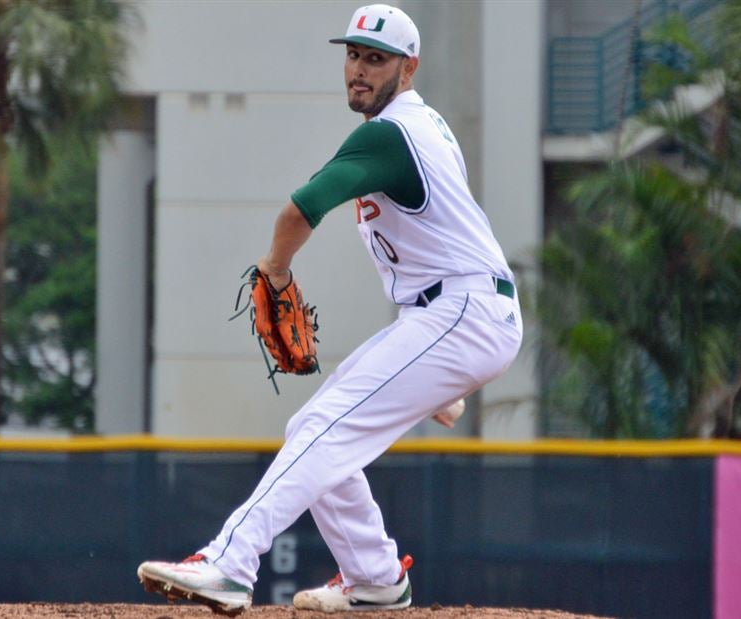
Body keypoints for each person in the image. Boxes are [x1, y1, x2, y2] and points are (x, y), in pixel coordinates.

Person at [138, 4, 522, 614]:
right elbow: (444, 240)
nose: (359, 70)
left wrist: (274, 271)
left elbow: (298, 211)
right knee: (314, 433)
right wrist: (444, 376)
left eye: (376, 58)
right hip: (455, 314)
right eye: (352, 55)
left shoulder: (388, 133)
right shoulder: (424, 127)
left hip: (461, 312)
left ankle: (229, 563)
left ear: (409, 67)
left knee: (323, 429)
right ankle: (374, 576)